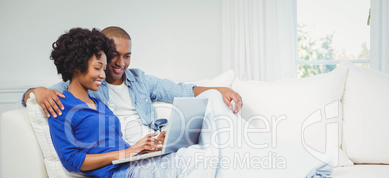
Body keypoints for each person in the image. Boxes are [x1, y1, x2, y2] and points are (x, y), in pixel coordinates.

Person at [22, 26, 243, 146]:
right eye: (114, 56)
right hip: (126, 150)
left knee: (213, 101)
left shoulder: (140, 80)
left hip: (152, 144)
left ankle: (238, 156)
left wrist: (219, 89)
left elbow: (182, 90)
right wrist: (36, 91)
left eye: (127, 56)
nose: (121, 63)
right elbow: (28, 98)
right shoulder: (84, 83)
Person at [47, 27, 165, 178]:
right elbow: (71, 160)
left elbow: (114, 146)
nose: (103, 75)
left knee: (182, 158)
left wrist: (143, 148)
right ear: (76, 67)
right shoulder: (60, 106)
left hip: (128, 165)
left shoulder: (99, 104)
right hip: (110, 177)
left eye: (103, 68)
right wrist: (126, 153)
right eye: (97, 68)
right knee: (170, 174)